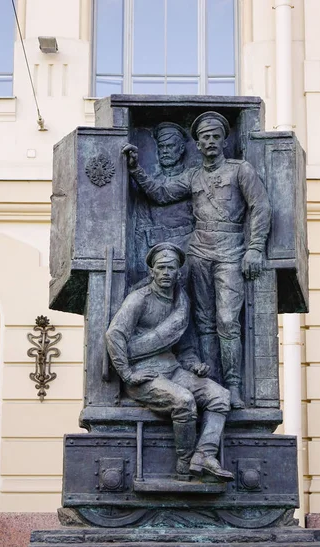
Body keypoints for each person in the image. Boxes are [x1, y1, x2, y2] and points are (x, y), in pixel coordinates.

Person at [122, 112, 271, 410]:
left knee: (228, 322)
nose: (211, 142)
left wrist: (255, 248)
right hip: (199, 251)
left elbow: (260, 207)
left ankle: (233, 386)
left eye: (216, 136)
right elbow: (161, 193)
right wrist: (137, 169)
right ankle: (213, 382)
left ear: (224, 140)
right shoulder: (193, 176)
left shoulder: (240, 170)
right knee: (203, 323)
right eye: (205, 137)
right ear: (198, 144)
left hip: (231, 251)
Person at [106, 242, 233, 482]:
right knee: (183, 400)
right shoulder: (138, 299)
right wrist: (127, 374)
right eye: (161, 268)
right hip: (145, 376)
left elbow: (184, 348)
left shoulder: (181, 302)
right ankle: (184, 463)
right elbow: (114, 335)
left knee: (220, 397)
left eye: (171, 268)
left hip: (174, 370)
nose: (166, 273)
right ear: (152, 271)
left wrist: (194, 365)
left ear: (178, 273)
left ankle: (204, 455)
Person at [134, 122, 194, 279]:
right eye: (161, 147)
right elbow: (142, 225)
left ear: (181, 149)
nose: (165, 151)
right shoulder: (149, 184)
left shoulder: (192, 178)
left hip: (188, 245)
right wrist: (142, 262)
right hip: (157, 249)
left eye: (170, 146)